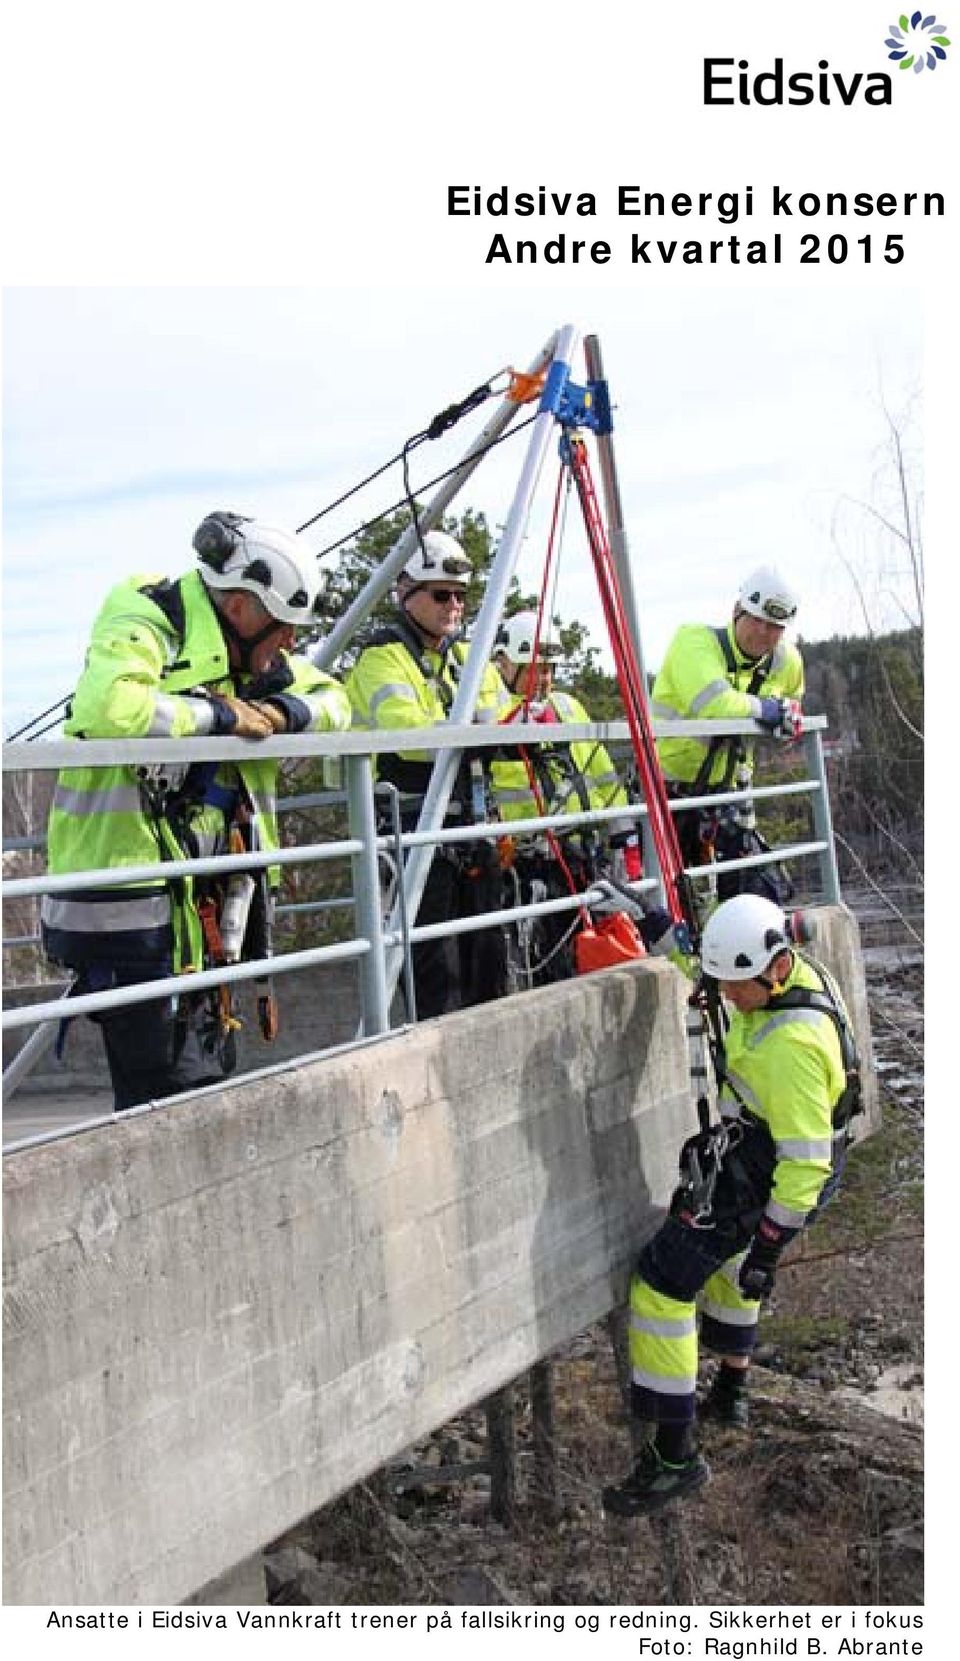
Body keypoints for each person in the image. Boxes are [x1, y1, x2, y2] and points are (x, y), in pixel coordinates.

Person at [41, 511, 351, 1111]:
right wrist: (219, 717)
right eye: (283, 626)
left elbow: (335, 700)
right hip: (129, 902)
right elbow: (111, 706)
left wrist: (283, 713)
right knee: (162, 1090)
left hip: (205, 903)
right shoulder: (151, 615)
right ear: (240, 608)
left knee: (207, 1076)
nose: (290, 642)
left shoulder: (252, 662)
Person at [602, 893, 858, 1516]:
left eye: (735, 987)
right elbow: (712, 977)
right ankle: (731, 1390)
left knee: (663, 1282)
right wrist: (662, 930)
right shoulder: (782, 975)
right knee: (730, 1253)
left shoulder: (793, 1046)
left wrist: (771, 1244)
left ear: (770, 969)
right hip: (765, 1147)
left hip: (779, 1166)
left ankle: (672, 1455)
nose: (727, 996)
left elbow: (804, 1165)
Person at [344, 530, 509, 1017]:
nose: (453, 605)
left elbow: (499, 715)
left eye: (460, 596)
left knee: (489, 963)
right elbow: (409, 738)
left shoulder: (466, 657)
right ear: (406, 592)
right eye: (441, 595)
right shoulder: (382, 658)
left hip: (472, 826)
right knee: (435, 972)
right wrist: (479, 729)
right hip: (415, 834)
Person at [489, 610, 640, 985]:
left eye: (549, 669)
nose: (544, 679)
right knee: (547, 965)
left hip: (582, 854)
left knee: (606, 954)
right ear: (505, 664)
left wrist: (625, 839)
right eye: (535, 668)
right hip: (530, 864)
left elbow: (602, 773)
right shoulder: (489, 712)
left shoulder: (566, 707)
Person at [651, 566, 804, 904]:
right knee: (670, 901)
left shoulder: (786, 662)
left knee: (754, 896)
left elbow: (792, 703)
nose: (763, 633)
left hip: (726, 795)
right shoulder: (694, 643)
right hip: (669, 793)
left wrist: (787, 718)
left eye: (775, 626)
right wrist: (766, 711)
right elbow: (715, 704)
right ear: (737, 612)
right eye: (756, 620)